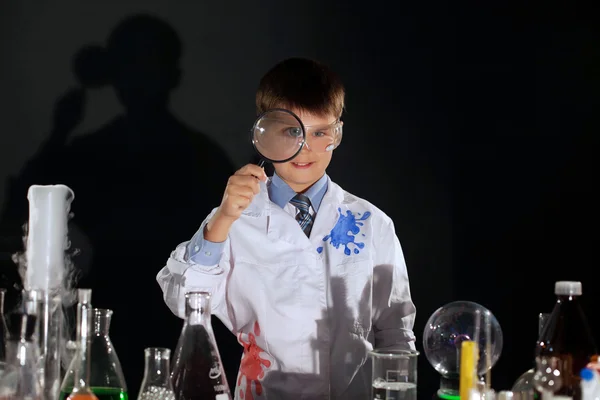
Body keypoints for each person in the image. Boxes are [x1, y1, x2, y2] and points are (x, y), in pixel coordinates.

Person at [157, 57, 416, 399]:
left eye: (319, 132)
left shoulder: (373, 224)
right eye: (291, 131)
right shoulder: (234, 219)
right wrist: (222, 218)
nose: (304, 148)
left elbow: (395, 331)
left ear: (336, 134)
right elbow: (183, 301)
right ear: (264, 132)